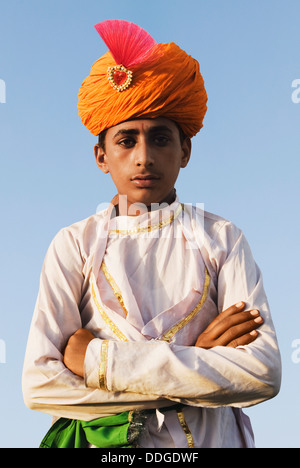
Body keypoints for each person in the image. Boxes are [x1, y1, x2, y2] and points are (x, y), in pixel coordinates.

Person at [22, 20, 281, 448]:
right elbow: (40, 385)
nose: (144, 158)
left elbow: (262, 372)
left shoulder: (222, 238)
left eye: (160, 138)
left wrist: (99, 361)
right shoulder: (74, 245)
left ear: (185, 151)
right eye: (127, 140)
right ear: (102, 156)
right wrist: (201, 360)